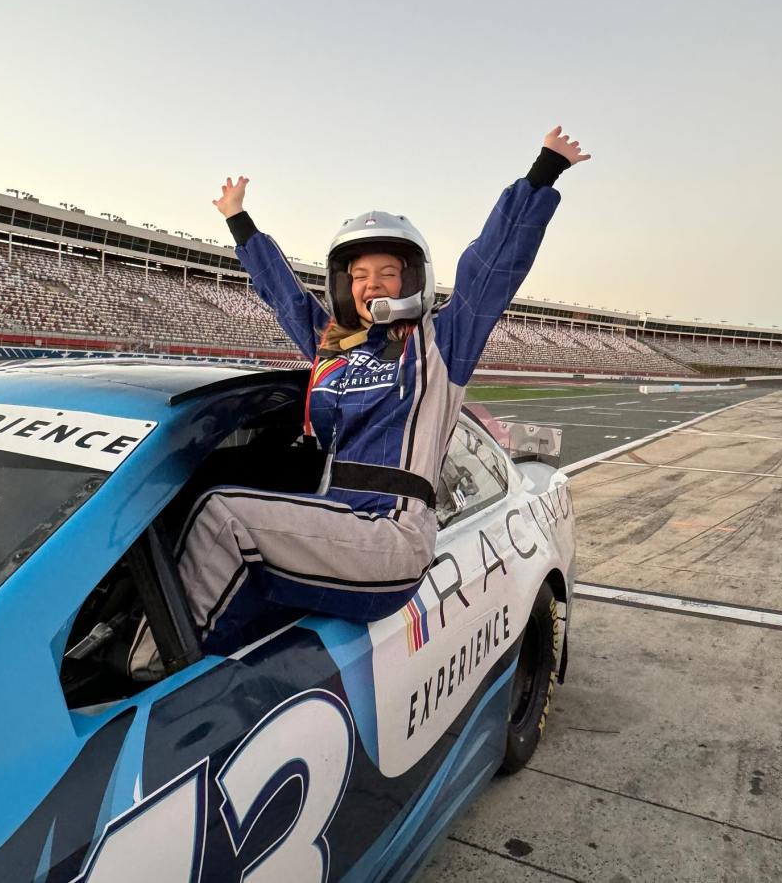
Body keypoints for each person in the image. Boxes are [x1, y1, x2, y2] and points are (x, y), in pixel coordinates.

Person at [129, 127, 590, 672]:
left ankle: (141, 675)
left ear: (412, 279)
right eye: (360, 275)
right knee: (183, 510)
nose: (372, 284)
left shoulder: (442, 343)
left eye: (387, 273)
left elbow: (492, 266)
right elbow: (283, 296)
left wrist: (543, 172)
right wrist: (239, 222)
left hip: (391, 538)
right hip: (333, 526)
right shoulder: (334, 349)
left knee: (221, 516)